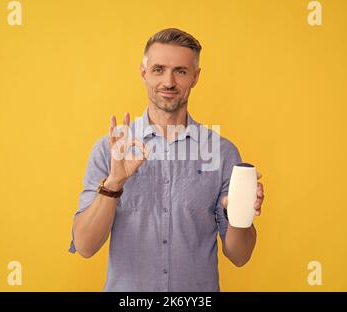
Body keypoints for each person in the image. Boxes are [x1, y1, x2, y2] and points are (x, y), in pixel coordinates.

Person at [69, 28, 265, 291]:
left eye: (180, 71)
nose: (168, 82)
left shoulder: (222, 152)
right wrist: (114, 183)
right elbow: (85, 246)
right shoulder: (110, 149)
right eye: (158, 69)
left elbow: (240, 257)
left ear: (195, 77)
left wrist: (239, 214)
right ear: (143, 73)